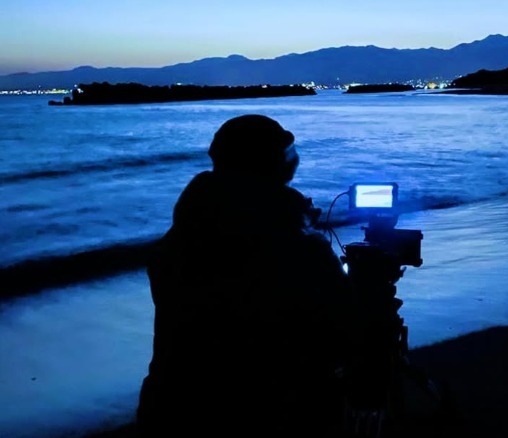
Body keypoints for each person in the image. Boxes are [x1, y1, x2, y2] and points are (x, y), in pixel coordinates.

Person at [135, 114, 360, 437]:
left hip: (172, 403)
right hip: (267, 408)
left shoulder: (182, 236)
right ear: (278, 164)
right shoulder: (295, 246)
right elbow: (343, 325)